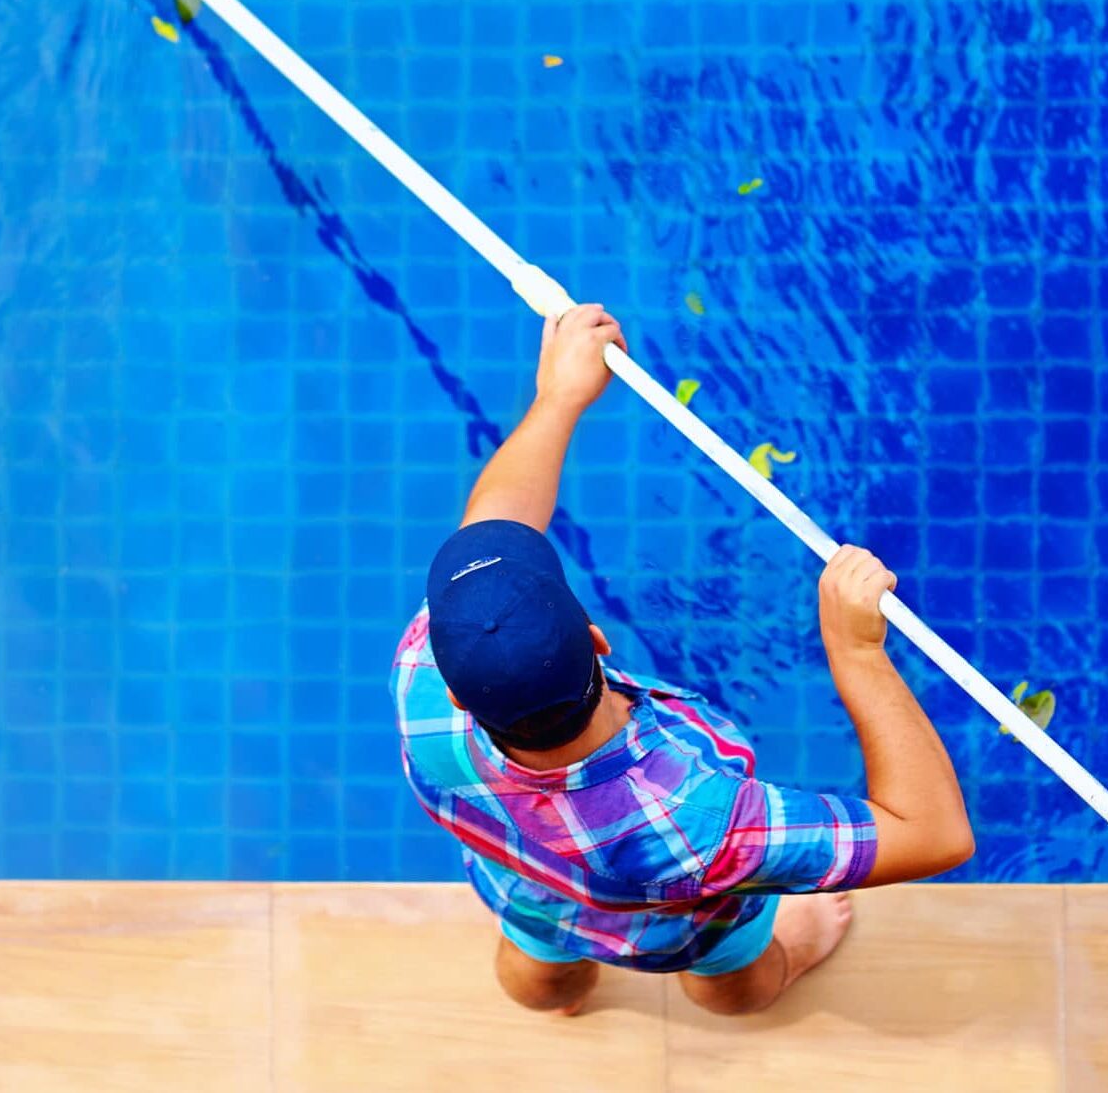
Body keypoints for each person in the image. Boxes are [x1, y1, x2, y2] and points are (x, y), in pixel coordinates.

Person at [391, 303, 976, 1017]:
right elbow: (935, 834)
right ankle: (775, 961)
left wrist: (557, 398)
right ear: (598, 640)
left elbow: (493, 527)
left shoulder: (423, 684)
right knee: (738, 979)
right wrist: (855, 652)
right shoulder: (697, 819)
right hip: (681, 926)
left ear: (460, 693)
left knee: (534, 968)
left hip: (530, 888)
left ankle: (556, 993)